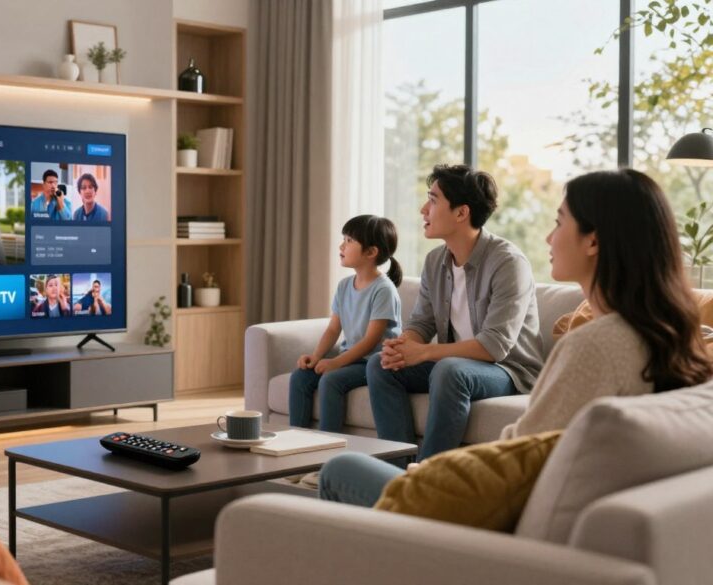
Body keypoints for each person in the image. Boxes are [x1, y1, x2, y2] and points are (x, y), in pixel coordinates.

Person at [319, 168, 713, 507]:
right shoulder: (671, 339)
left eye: (559, 222)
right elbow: (525, 451)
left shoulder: (593, 344)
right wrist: (405, 346)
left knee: (339, 469)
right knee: (385, 366)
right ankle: (402, 466)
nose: (547, 238)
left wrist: (436, 479)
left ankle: (412, 483)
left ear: (593, 241)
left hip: (493, 419)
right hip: (500, 494)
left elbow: (515, 459)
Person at [368, 164, 545, 461]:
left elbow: (494, 346)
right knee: (380, 365)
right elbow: (421, 322)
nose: (424, 209)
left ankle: (430, 476)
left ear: (461, 213)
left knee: (449, 370)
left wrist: (422, 353)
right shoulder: (435, 260)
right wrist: (403, 347)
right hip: (458, 364)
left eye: (433, 200)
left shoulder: (507, 262)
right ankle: (397, 473)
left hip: (509, 371)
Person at [288, 215, 404, 432]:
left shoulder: (383, 290)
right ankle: (297, 440)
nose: (342, 245)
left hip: (374, 364)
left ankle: (327, 446)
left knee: (332, 380)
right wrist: (317, 356)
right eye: (344, 239)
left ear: (371, 252)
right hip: (351, 358)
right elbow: (333, 329)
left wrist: (336, 363)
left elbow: (371, 341)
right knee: (300, 377)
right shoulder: (344, 286)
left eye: (349, 240)